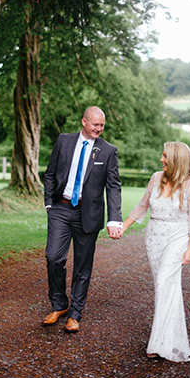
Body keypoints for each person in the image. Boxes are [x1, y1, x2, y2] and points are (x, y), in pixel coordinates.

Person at [43, 106, 123, 332]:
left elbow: (113, 187)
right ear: (84, 122)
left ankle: (75, 313)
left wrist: (114, 218)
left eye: (102, 125)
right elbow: (50, 173)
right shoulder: (64, 141)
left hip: (88, 215)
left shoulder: (108, 151)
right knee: (53, 258)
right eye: (95, 124)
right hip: (60, 208)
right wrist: (49, 202)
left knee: (83, 266)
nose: (99, 129)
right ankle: (59, 305)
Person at [122, 142, 190, 362]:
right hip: (154, 238)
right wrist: (123, 226)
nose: (161, 159)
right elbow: (141, 206)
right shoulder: (156, 178)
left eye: (165, 156)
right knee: (164, 287)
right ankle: (167, 336)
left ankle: (158, 343)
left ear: (177, 159)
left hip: (177, 238)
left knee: (165, 282)